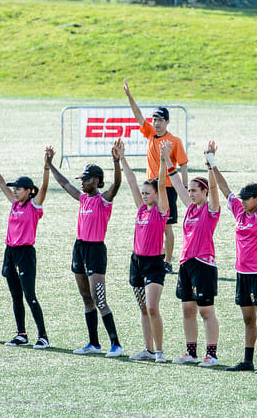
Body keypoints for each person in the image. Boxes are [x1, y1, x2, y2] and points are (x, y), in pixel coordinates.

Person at [207, 142, 257, 374]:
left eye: (247, 198)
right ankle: (248, 361)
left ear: (256, 199)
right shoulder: (239, 212)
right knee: (248, 320)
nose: (242, 201)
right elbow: (224, 188)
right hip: (242, 274)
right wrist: (211, 161)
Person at [47, 143, 124, 358]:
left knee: (99, 299)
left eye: (87, 179)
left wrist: (116, 161)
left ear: (97, 181)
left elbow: (117, 183)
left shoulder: (103, 201)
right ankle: (93, 343)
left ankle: (116, 345)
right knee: (86, 297)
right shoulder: (82, 199)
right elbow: (64, 183)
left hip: (95, 251)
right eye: (82, 179)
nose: (82, 183)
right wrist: (50, 165)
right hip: (79, 249)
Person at [0, 142, 52, 349]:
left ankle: (43, 337)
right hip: (10, 252)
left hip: (25, 253)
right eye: (15, 189)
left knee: (29, 295)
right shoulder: (14, 203)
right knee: (16, 296)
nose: (14, 191)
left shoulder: (34, 206)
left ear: (29, 191)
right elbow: (2, 183)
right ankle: (21, 334)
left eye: (18, 189)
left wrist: (46, 166)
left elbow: (45, 186)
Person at [165, 142, 221, 367]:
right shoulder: (190, 208)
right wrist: (166, 158)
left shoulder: (210, 210)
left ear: (204, 192)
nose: (190, 193)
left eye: (194, 191)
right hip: (186, 263)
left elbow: (216, 190)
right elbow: (176, 182)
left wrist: (210, 163)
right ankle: (191, 353)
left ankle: (212, 354)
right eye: (190, 191)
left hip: (203, 264)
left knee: (205, 310)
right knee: (187, 309)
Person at [123, 78, 188, 274]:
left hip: (168, 187)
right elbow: (138, 115)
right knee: (153, 225)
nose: (157, 123)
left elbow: (183, 164)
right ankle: (156, 256)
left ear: (167, 121)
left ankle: (167, 261)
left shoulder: (174, 141)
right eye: (155, 120)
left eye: (160, 120)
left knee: (167, 226)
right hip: (151, 187)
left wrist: (183, 187)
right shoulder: (151, 134)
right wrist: (129, 96)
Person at [117, 139, 170, 363]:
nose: (145, 195)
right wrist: (122, 159)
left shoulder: (160, 211)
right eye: (144, 193)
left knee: (152, 307)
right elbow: (131, 182)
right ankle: (147, 350)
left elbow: (160, 185)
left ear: (156, 195)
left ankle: (159, 352)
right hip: (136, 262)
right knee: (143, 309)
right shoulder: (141, 209)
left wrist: (164, 159)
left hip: (154, 264)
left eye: (148, 193)